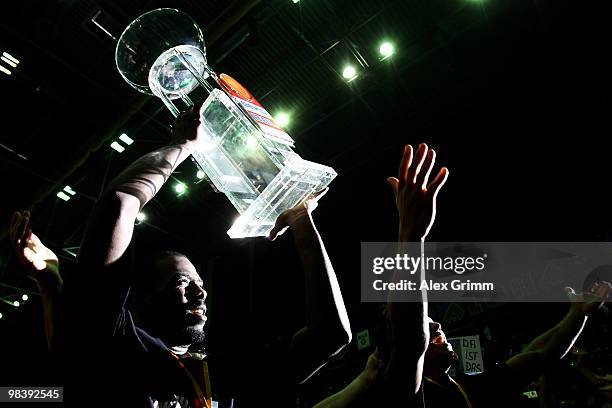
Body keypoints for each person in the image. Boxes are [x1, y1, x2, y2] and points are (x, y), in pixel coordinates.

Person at [50, 106, 351, 407]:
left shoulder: (222, 376)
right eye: (181, 282)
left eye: (199, 281)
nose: (201, 291)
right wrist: (184, 146)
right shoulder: (116, 344)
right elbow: (119, 203)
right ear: (141, 299)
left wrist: (300, 220)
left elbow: (331, 336)